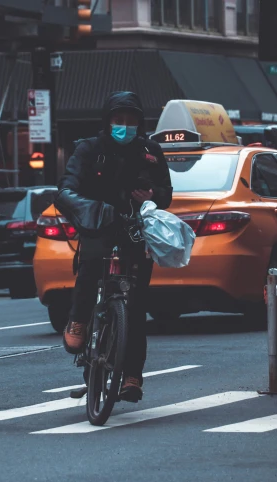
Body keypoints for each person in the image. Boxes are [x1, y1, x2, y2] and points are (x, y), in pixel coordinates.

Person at [54, 91, 173, 403]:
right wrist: (90, 210)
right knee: (90, 266)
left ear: (139, 123)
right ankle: (79, 320)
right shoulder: (88, 148)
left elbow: (167, 193)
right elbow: (66, 189)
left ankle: (132, 376)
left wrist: (152, 198)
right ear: (107, 122)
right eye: (118, 121)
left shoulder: (150, 151)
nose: (124, 126)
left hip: (136, 229)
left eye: (130, 121)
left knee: (135, 307)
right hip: (98, 225)